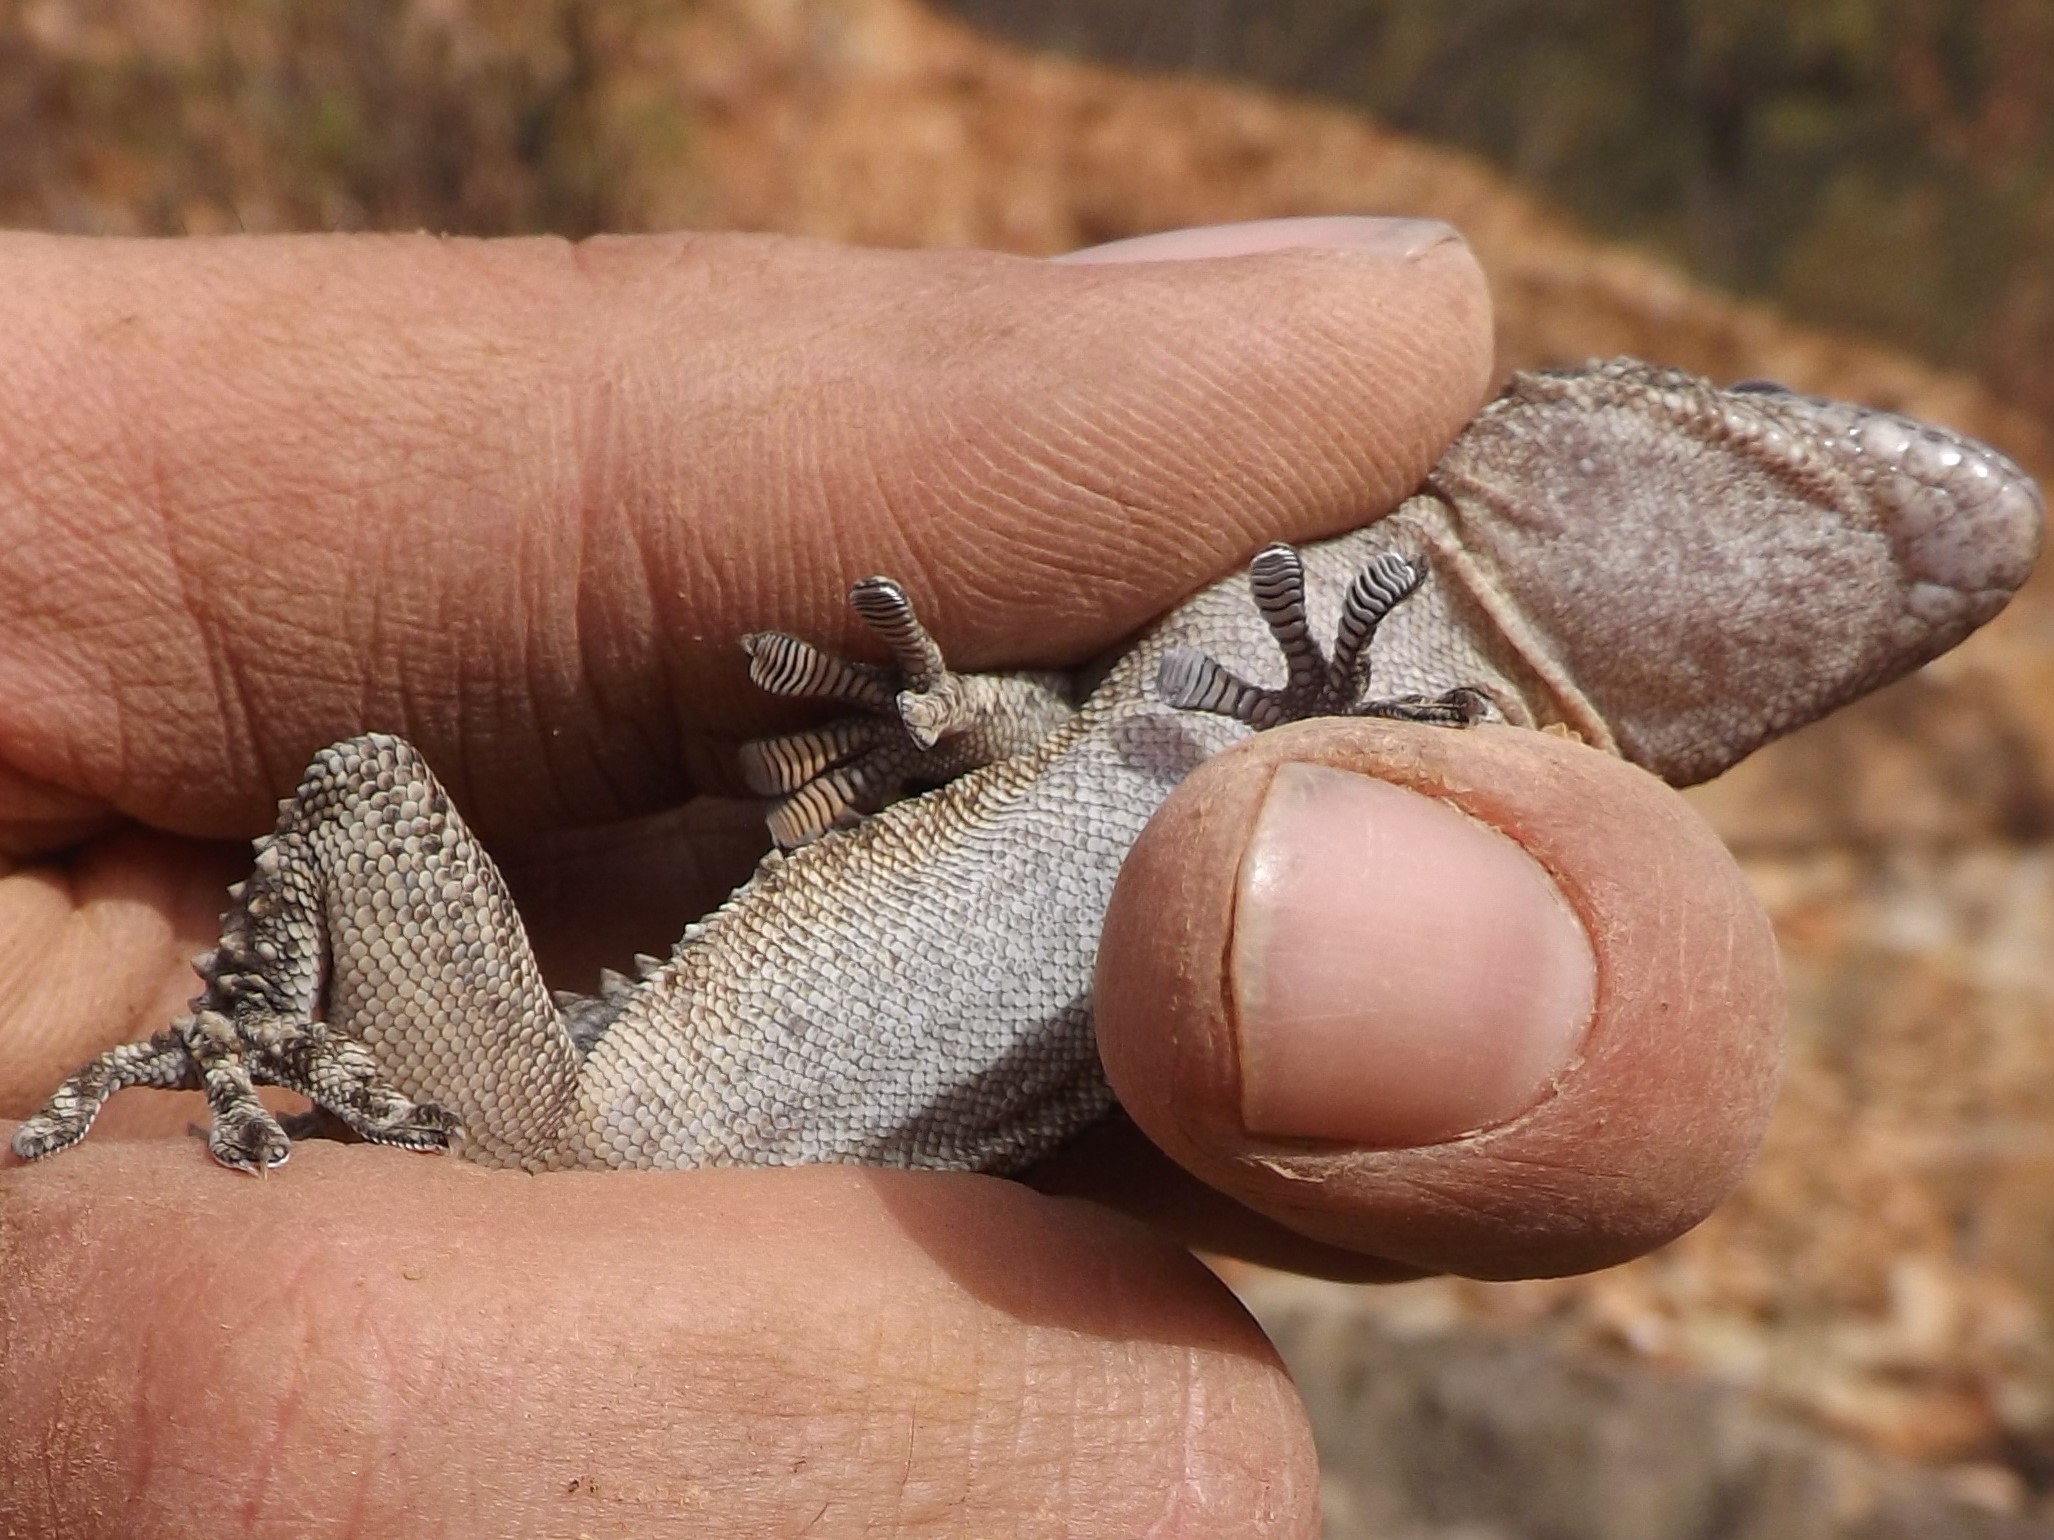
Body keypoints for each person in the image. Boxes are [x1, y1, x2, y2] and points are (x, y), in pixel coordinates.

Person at [0, 218, 1779, 1535]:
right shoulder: (1362, 564)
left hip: (642, 1187)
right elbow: (1098, 738)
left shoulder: (1469, 736)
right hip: (551, 1101)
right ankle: (229, 1034)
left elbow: (1095, 766)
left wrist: (960, 719)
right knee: (368, 788)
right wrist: (960, 707)